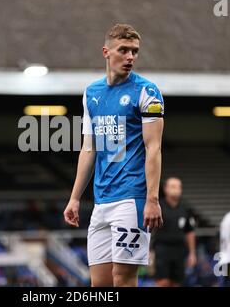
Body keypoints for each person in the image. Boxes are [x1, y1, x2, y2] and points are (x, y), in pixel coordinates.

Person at [63, 23, 165, 287]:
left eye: (135, 51)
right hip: (101, 202)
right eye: (124, 50)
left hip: (131, 200)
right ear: (106, 52)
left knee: (123, 278)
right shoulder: (91, 93)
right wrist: (75, 198)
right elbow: (89, 148)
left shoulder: (147, 91)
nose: (130, 57)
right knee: (100, 283)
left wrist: (152, 199)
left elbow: (154, 148)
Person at [151, 177, 197, 287]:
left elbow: (190, 232)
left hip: (179, 250)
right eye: (173, 186)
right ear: (166, 189)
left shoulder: (185, 209)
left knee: (177, 282)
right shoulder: (158, 207)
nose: (176, 189)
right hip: (162, 249)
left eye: (178, 187)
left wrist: (192, 253)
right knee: (163, 282)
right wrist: (149, 250)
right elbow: (150, 229)